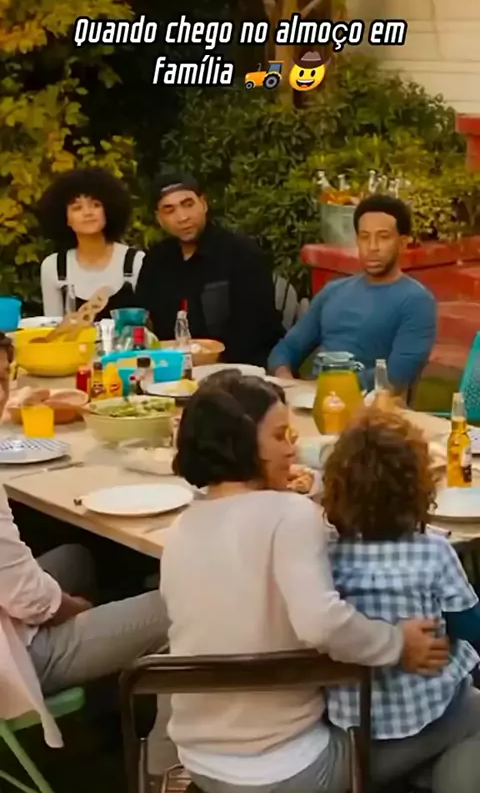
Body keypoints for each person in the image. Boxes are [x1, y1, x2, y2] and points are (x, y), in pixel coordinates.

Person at [158, 374, 448, 793]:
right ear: (241, 443)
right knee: (467, 713)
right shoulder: (291, 514)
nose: (292, 449)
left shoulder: (181, 527)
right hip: (291, 770)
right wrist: (397, 643)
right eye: (280, 436)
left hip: (200, 762)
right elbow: (321, 623)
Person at [0, 332, 170, 751]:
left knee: (77, 558)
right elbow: (28, 598)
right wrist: (75, 608)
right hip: (10, 658)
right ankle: (162, 757)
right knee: (176, 603)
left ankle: (105, 711)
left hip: (9, 615)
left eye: (3, 378)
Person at [323, 409, 480, 793]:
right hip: (428, 710)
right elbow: (470, 628)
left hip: (351, 723)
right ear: (419, 488)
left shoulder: (325, 557)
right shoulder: (435, 552)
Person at [268, 194, 437, 394]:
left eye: (383, 237)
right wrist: (286, 380)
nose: (372, 247)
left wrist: (325, 388)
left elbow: (397, 375)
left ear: (402, 242)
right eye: (365, 237)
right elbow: (287, 348)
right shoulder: (334, 291)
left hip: (368, 405)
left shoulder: (417, 301)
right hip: (310, 398)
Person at [134, 172, 284, 367]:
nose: (182, 217)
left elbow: (255, 328)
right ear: (159, 218)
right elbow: (141, 316)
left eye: (188, 204)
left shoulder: (242, 254)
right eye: (169, 210)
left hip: (239, 368)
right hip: (170, 369)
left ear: (203, 204)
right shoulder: (156, 260)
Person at [37, 167, 144, 319]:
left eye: (95, 205)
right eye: (77, 208)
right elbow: (53, 326)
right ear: (65, 218)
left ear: (108, 211)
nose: (87, 213)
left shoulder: (135, 262)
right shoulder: (53, 267)